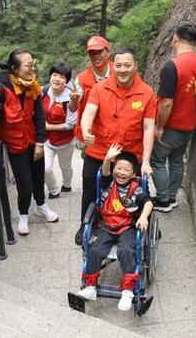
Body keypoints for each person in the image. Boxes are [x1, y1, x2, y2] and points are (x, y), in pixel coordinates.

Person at [75, 47, 157, 245]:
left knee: (134, 189)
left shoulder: (146, 93)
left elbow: (148, 128)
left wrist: (145, 160)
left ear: (136, 66)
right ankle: (85, 224)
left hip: (129, 154)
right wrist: (86, 130)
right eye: (118, 65)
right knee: (89, 184)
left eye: (127, 65)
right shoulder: (100, 88)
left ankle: (136, 222)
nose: (122, 70)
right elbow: (88, 113)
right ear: (114, 65)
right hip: (100, 150)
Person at [0, 48, 59, 236]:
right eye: (28, 65)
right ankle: (23, 214)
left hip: (34, 141)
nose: (32, 68)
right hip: (16, 146)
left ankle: (41, 206)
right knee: (25, 185)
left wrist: (40, 142)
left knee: (39, 179)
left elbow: (39, 116)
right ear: (14, 68)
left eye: (33, 64)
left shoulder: (33, 86)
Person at [75, 145, 154, 311]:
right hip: (106, 225)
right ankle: (90, 287)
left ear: (133, 174)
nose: (122, 172)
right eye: (119, 168)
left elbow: (148, 202)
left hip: (127, 226)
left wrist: (143, 216)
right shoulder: (108, 182)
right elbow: (104, 172)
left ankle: (127, 291)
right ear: (114, 170)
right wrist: (107, 159)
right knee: (94, 249)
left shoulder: (136, 189)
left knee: (126, 250)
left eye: (126, 170)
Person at [151, 22, 196, 212]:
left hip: (172, 125)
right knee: (177, 160)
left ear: (175, 39)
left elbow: (166, 102)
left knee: (157, 160)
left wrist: (159, 126)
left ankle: (163, 200)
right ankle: (172, 197)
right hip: (189, 125)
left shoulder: (172, 66)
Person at [69, 36, 114, 244]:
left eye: (100, 52)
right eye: (91, 53)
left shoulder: (119, 70)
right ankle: (85, 223)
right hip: (92, 138)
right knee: (89, 181)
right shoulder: (81, 78)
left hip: (117, 135)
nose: (96, 56)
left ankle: (127, 220)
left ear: (108, 51)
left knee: (121, 179)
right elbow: (74, 110)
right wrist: (73, 103)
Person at [42, 62, 76, 199]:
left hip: (65, 141)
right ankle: (54, 190)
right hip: (46, 140)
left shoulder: (71, 98)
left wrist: (48, 127)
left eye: (61, 77)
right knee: (45, 168)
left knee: (65, 167)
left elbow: (70, 124)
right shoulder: (43, 92)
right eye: (54, 75)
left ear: (66, 81)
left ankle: (67, 184)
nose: (57, 79)